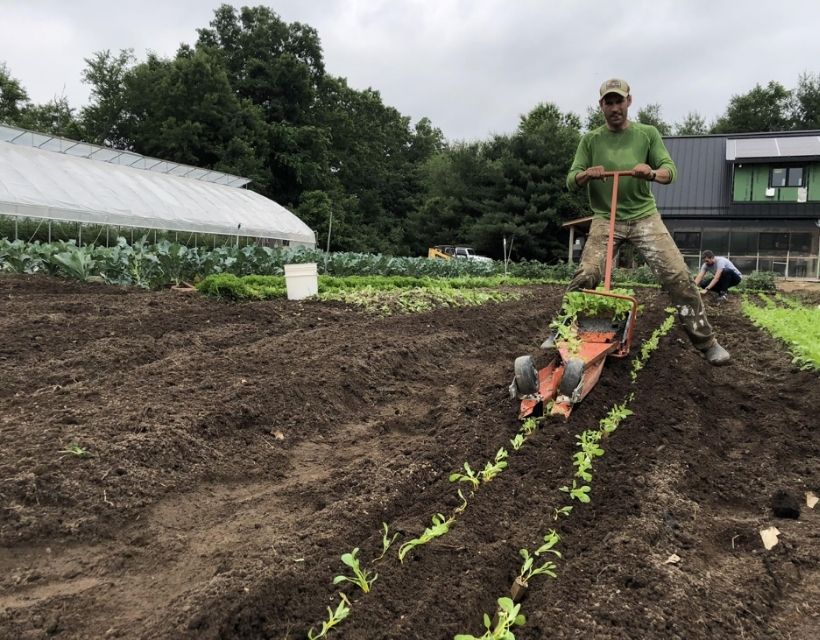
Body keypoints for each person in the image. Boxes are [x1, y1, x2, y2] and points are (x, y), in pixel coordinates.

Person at [565, 78, 730, 366]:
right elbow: (571, 180)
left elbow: (670, 171)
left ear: (629, 101)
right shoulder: (590, 140)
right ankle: (564, 330)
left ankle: (707, 343)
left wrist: (651, 172)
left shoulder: (647, 134)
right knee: (587, 274)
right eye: (608, 102)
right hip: (607, 217)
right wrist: (587, 174)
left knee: (678, 276)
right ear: (600, 105)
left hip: (644, 217)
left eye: (619, 101)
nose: (614, 107)